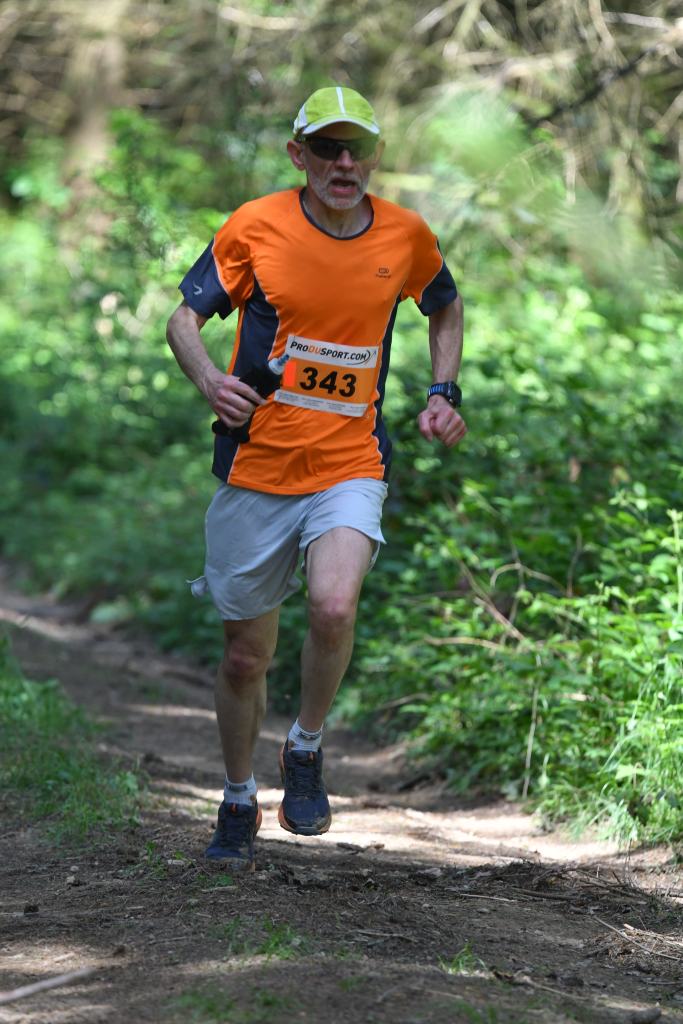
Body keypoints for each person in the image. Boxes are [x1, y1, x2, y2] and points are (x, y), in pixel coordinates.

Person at [166, 85, 466, 872]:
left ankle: (304, 746)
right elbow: (182, 320)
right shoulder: (254, 225)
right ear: (297, 155)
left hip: (350, 462)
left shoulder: (404, 234)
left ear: (373, 157)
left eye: (355, 149)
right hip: (256, 468)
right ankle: (238, 797)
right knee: (245, 656)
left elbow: (443, 304)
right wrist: (209, 380)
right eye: (326, 149)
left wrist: (443, 391)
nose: (343, 163)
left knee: (334, 605)